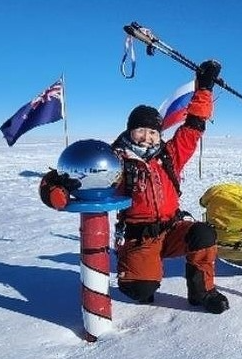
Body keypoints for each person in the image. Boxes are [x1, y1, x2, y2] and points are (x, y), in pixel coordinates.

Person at [39, 60, 229, 314]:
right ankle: (139, 269)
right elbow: (77, 173)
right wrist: (55, 188)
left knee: (204, 233)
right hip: (139, 236)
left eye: (153, 132)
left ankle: (202, 293)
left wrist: (204, 88)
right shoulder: (114, 158)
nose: (148, 137)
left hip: (173, 228)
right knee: (141, 290)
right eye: (141, 130)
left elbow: (193, 126)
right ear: (130, 131)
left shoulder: (170, 155)